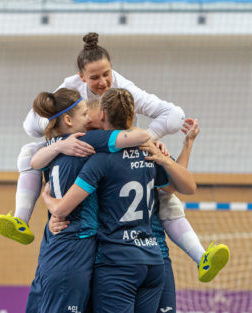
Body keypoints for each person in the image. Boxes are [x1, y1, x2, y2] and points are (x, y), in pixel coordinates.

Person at [0, 31, 226, 283]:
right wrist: (62, 142)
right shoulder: (69, 91)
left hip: (116, 146)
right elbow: (32, 129)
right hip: (93, 149)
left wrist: (150, 137)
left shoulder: (124, 89)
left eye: (107, 74)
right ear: (81, 77)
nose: (103, 81)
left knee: (166, 197)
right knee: (30, 152)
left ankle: (201, 256)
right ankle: (20, 220)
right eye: (94, 77)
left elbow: (175, 117)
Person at [42, 88, 197, 313]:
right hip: (152, 261)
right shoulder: (149, 151)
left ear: (102, 115)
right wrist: (184, 147)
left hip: (117, 261)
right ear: (133, 116)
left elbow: (64, 207)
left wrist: (47, 200)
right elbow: (186, 186)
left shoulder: (99, 158)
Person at [23, 88, 152, 313]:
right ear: (68, 120)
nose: (89, 118)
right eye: (84, 114)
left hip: (53, 243)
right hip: (74, 243)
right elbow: (141, 136)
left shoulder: (50, 147)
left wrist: (58, 146)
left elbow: (33, 163)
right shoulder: (87, 139)